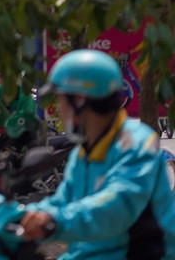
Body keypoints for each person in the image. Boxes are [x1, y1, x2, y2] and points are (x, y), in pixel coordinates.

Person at [19, 50, 175, 258]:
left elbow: (116, 207)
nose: (58, 108)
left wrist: (53, 221)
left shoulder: (137, 144)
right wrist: (24, 215)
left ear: (80, 100)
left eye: (61, 100)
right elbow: (62, 201)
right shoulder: (83, 152)